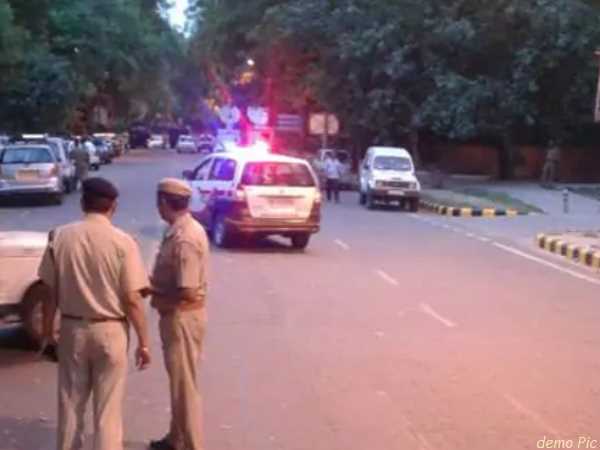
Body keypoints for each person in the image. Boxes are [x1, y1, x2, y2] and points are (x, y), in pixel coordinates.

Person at [38, 177, 151, 450]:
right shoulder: (124, 242)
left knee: (70, 404)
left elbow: (49, 292)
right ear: (113, 206)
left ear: (82, 203)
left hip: (72, 329)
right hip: (111, 331)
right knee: (108, 411)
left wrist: (47, 334)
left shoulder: (59, 237)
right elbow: (132, 299)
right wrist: (144, 342)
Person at [150, 178, 210, 450]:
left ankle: (192, 444)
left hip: (181, 317)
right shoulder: (178, 230)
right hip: (178, 316)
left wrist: (152, 290)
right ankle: (176, 438)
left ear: (164, 202)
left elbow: (187, 289)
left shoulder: (185, 238)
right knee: (179, 383)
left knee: (185, 388)